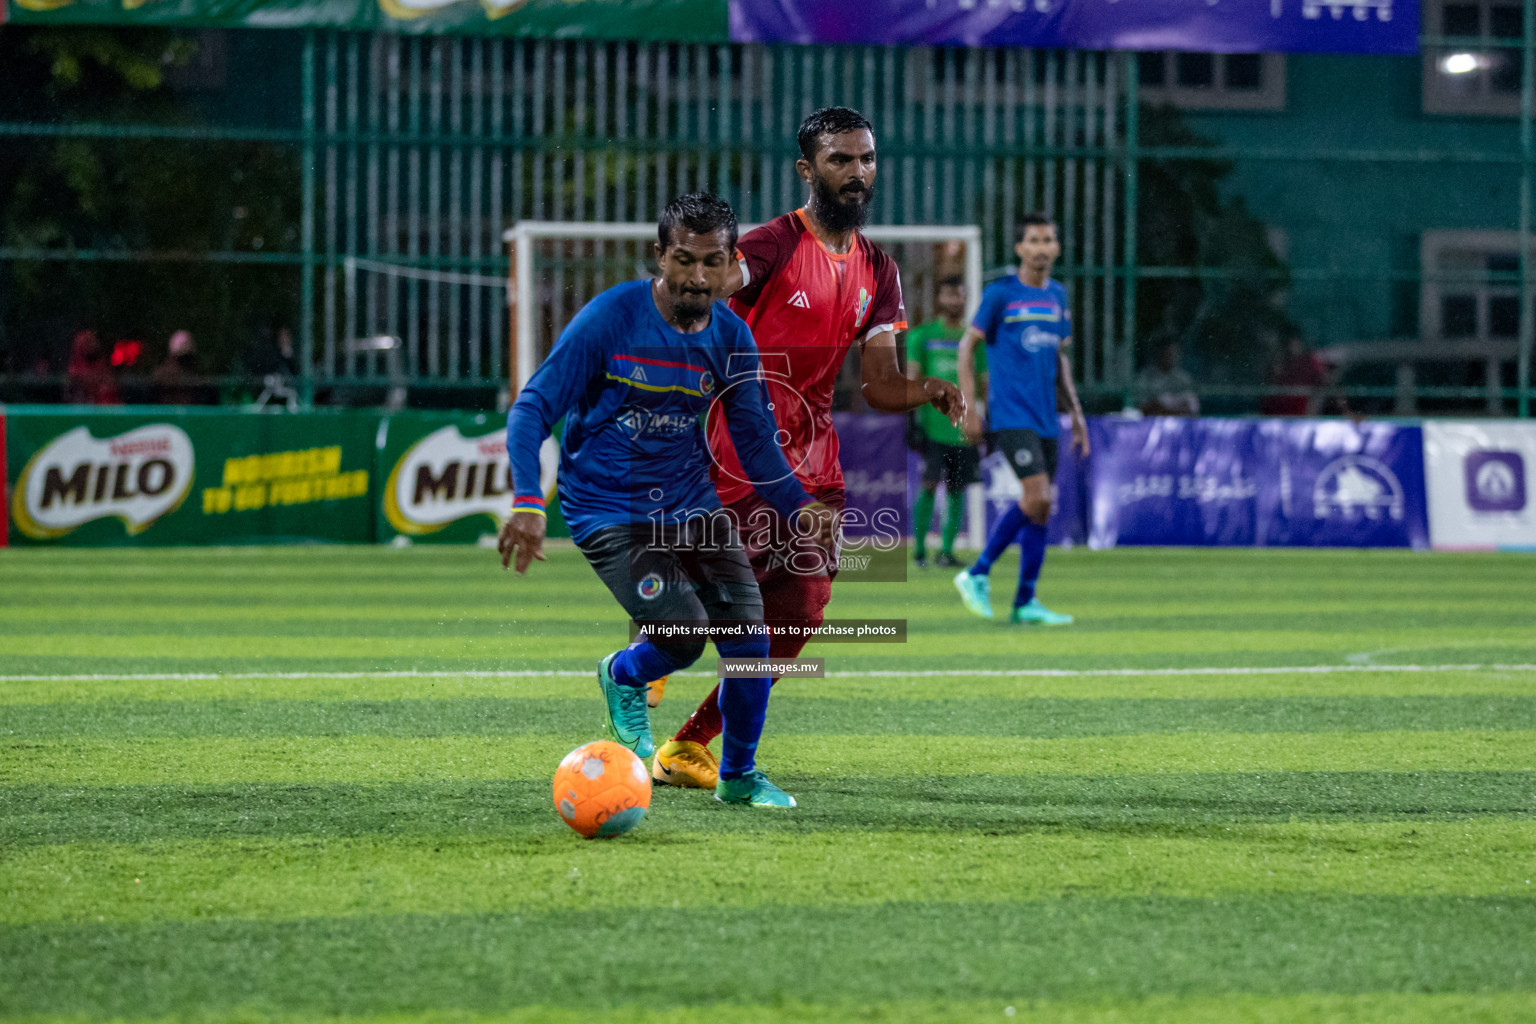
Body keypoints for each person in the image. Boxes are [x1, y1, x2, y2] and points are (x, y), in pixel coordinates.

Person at [649, 106, 966, 790]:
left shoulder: (880, 270)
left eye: (867, 159)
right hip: (742, 452)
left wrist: (927, 388)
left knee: (800, 614)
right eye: (840, 160)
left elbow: (879, 386)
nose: (857, 173)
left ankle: (688, 746)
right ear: (808, 169)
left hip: (817, 460)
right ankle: (643, 660)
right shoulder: (770, 245)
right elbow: (717, 285)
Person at [499, 193, 835, 809]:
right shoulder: (611, 319)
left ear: (730, 261)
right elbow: (532, 409)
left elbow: (758, 445)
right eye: (684, 260)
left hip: (691, 505)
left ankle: (737, 776)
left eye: (712, 262)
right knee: (683, 637)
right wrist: (527, 500)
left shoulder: (731, 337)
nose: (697, 277)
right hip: (608, 510)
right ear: (660, 256)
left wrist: (801, 506)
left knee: (749, 638)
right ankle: (623, 674)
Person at [953, 214, 1088, 626]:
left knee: (1041, 509)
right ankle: (976, 573)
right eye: (1034, 240)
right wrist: (969, 407)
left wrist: (1077, 415)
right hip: (1010, 416)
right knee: (1038, 498)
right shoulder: (1001, 295)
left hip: (1047, 418)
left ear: (1057, 248)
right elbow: (966, 348)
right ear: (1020, 249)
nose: (1042, 247)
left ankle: (1025, 601)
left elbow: (1059, 360)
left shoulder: (1058, 297)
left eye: (1049, 239)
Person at [905, 274, 985, 568]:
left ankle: (947, 551)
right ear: (939, 299)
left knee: (957, 487)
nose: (955, 301)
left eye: (960, 295)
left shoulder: (974, 340)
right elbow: (913, 380)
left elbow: (983, 382)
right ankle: (919, 551)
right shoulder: (922, 337)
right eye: (950, 295)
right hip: (932, 425)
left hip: (963, 428)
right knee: (928, 483)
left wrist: (983, 418)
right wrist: (911, 419)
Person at [1134, 341, 1200, 417]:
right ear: (1158, 354)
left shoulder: (1183, 378)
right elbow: (1141, 408)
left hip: (1180, 424)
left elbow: (1192, 408)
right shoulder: (1145, 376)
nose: (1171, 357)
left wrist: (1167, 411)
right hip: (1151, 424)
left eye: (1173, 354)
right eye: (1167, 353)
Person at [63, 330, 122, 405]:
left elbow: (111, 390)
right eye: (88, 341)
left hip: (108, 410)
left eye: (93, 341)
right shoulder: (74, 371)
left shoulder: (103, 365)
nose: (92, 344)